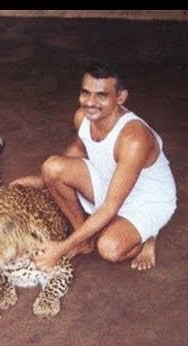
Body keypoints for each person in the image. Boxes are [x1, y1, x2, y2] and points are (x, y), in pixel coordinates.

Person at [10, 61, 177, 271]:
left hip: (146, 200)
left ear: (120, 97)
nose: (90, 102)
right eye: (85, 93)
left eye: (101, 95)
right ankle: (84, 241)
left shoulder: (134, 138)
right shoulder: (83, 117)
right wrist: (43, 180)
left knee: (109, 248)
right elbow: (80, 148)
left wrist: (60, 249)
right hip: (111, 181)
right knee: (52, 167)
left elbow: (110, 207)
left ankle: (148, 237)